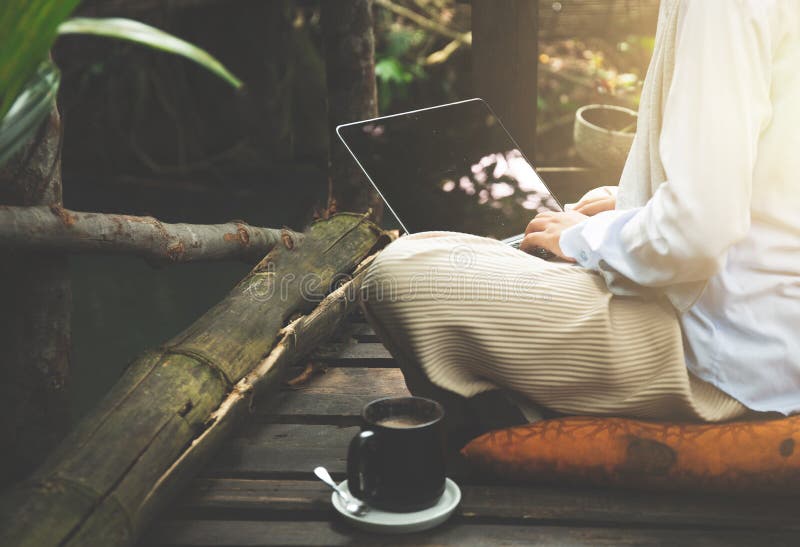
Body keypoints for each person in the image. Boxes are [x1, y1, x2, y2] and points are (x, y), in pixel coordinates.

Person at [361, 0, 800, 439]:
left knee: (398, 272)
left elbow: (699, 232)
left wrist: (585, 239)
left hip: (729, 360)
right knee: (549, 230)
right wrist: (633, 203)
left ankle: (504, 428)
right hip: (772, 328)